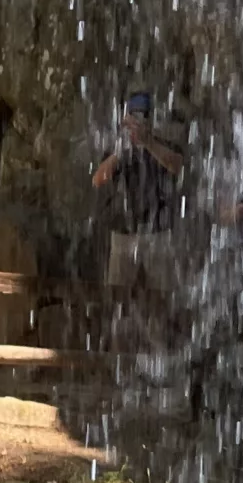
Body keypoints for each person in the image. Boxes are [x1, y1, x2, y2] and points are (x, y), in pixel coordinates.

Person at [91, 91, 186, 346]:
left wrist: (147, 143)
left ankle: (162, 354)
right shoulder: (118, 146)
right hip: (123, 233)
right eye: (134, 117)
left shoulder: (162, 143)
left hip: (157, 233)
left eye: (143, 117)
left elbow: (177, 166)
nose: (139, 122)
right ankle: (112, 353)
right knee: (116, 299)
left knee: (162, 300)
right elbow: (98, 179)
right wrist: (123, 148)